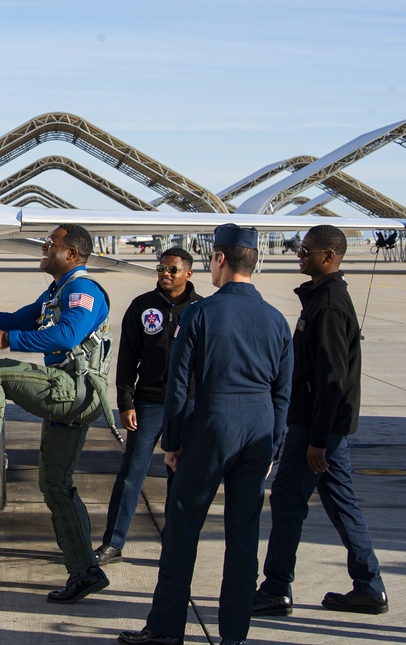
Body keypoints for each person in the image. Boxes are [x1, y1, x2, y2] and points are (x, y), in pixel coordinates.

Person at [119, 224, 293, 645]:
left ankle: (165, 630)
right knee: (243, 537)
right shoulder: (276, 320)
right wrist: (273, 447)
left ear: (219, 260)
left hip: (212, 425)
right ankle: (234, 634)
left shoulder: (200, 314)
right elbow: (283, 393)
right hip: (258, 429)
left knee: (182, 531)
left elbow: (179, 385)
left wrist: (173, 443)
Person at [0, 223, 112, 604]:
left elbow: (66, 336)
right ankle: (86, 571)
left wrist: (6, 341)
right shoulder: (58, 290)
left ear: (72, 255)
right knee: (54, 485)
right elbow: (19, 320)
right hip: (65, 393)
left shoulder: (82, 290)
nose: (45, 247)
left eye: (52, 243)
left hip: (70, 389)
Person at [253, 225, 388, 617]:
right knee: (342, 504)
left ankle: (276, 587)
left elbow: (332, 380)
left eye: (306, 251)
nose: (300, 255)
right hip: (326, 429)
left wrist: (318, 439)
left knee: (287, 500)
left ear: (328, 257)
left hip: (316, 429)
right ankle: (369, 586)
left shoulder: (328, 306)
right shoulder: (323, 299)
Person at [96, 247, 203, 566]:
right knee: (132, 472)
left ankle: (176, 546)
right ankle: (113, 543)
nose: (165, 274)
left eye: (172, 269)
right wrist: (126, 402)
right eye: (161, 268)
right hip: (150, 401)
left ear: (188, 273)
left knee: (182, 475)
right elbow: (127, 358)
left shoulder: (202, 309)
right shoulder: (142, 307)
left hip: (189, 405)